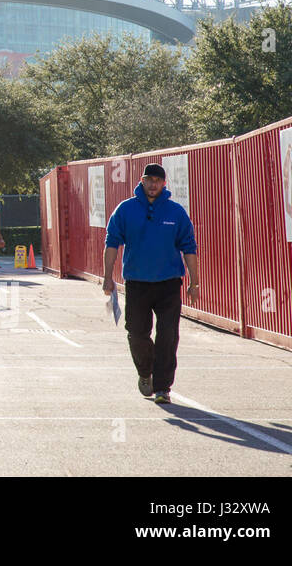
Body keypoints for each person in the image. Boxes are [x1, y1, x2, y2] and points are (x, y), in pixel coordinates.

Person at [102, 163, 199, 405]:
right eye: (149, 179)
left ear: (164, 183)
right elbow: (112, 242)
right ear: (142, 181)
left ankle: (162, 387)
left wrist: (194, 282)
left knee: (168, 335)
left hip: (168, 284)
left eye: (158, 180)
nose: (153, 184)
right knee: (137, 333)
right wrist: (107, 276)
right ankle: (145, 372)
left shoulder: (176, 212)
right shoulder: (126, 210)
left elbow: (189, 247)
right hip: (137, 283)